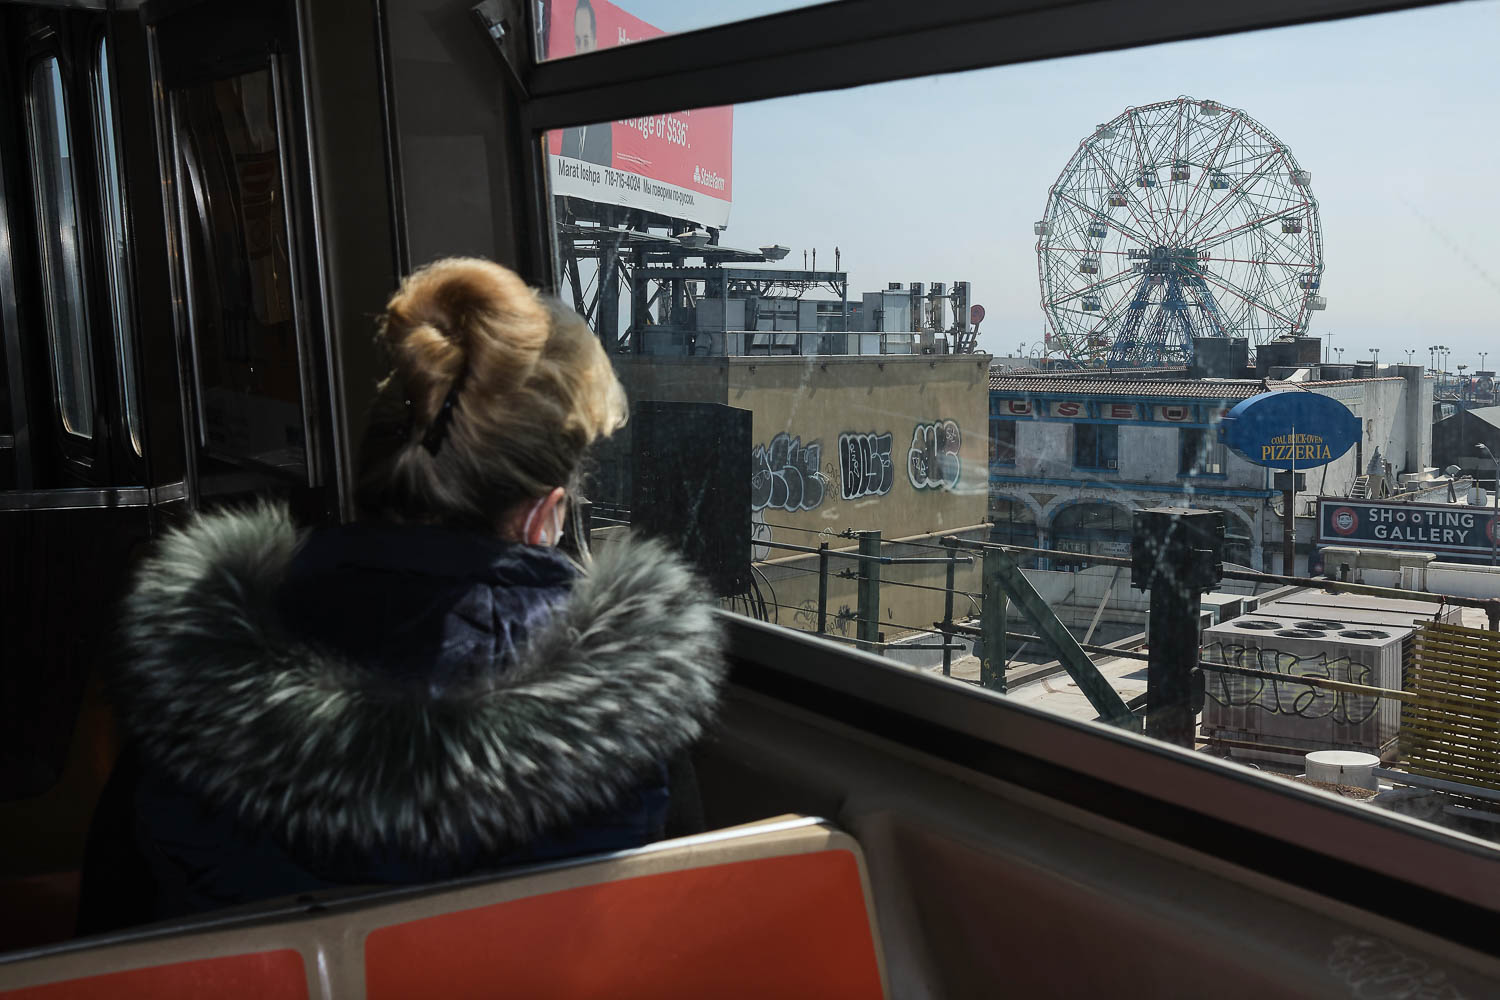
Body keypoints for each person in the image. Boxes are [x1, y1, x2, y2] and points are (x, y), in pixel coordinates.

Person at [77, 258, 725, 930]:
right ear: (544, 516)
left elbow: (113, 933)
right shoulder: (625, 701)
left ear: (373, 479)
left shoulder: (200, 669)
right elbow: (670, 935)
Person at [559, 0, 612, 165]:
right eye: (578, 41)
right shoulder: (567, 110)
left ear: (595, 44)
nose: (581, 49)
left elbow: (606, 168)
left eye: (586, 41)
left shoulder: (604, 117)